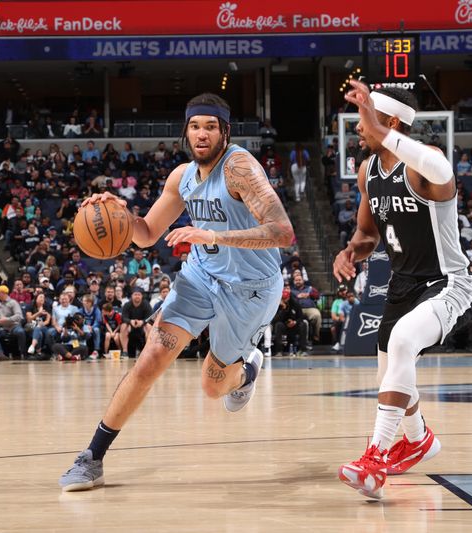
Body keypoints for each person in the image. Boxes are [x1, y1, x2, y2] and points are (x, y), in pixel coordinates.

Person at [59, 92, 293, 491]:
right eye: (195, 126)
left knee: (213, 385)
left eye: (211, 126)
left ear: (225, 132)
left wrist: (213, 234)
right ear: (186, 131)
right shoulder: (181, 177)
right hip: (201, 276)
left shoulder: (239, 168)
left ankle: (248, 369)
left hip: (251, 289)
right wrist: (119, 212)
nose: (202, 134)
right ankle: (92, 457)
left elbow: (283, 232)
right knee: (152, 356)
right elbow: (147, 233)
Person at [333, 80, 472, 499]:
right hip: (402, 285)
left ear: (391, 121)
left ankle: (374, 456)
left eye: (365, 118)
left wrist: (378, 126)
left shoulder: (426, 163)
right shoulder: (367, 172)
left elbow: (443, 171)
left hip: (447, 283)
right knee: (393, 377)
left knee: (402, 343)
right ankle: (419, 439)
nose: (357, 128)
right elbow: (366, 234)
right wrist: (350, 252)